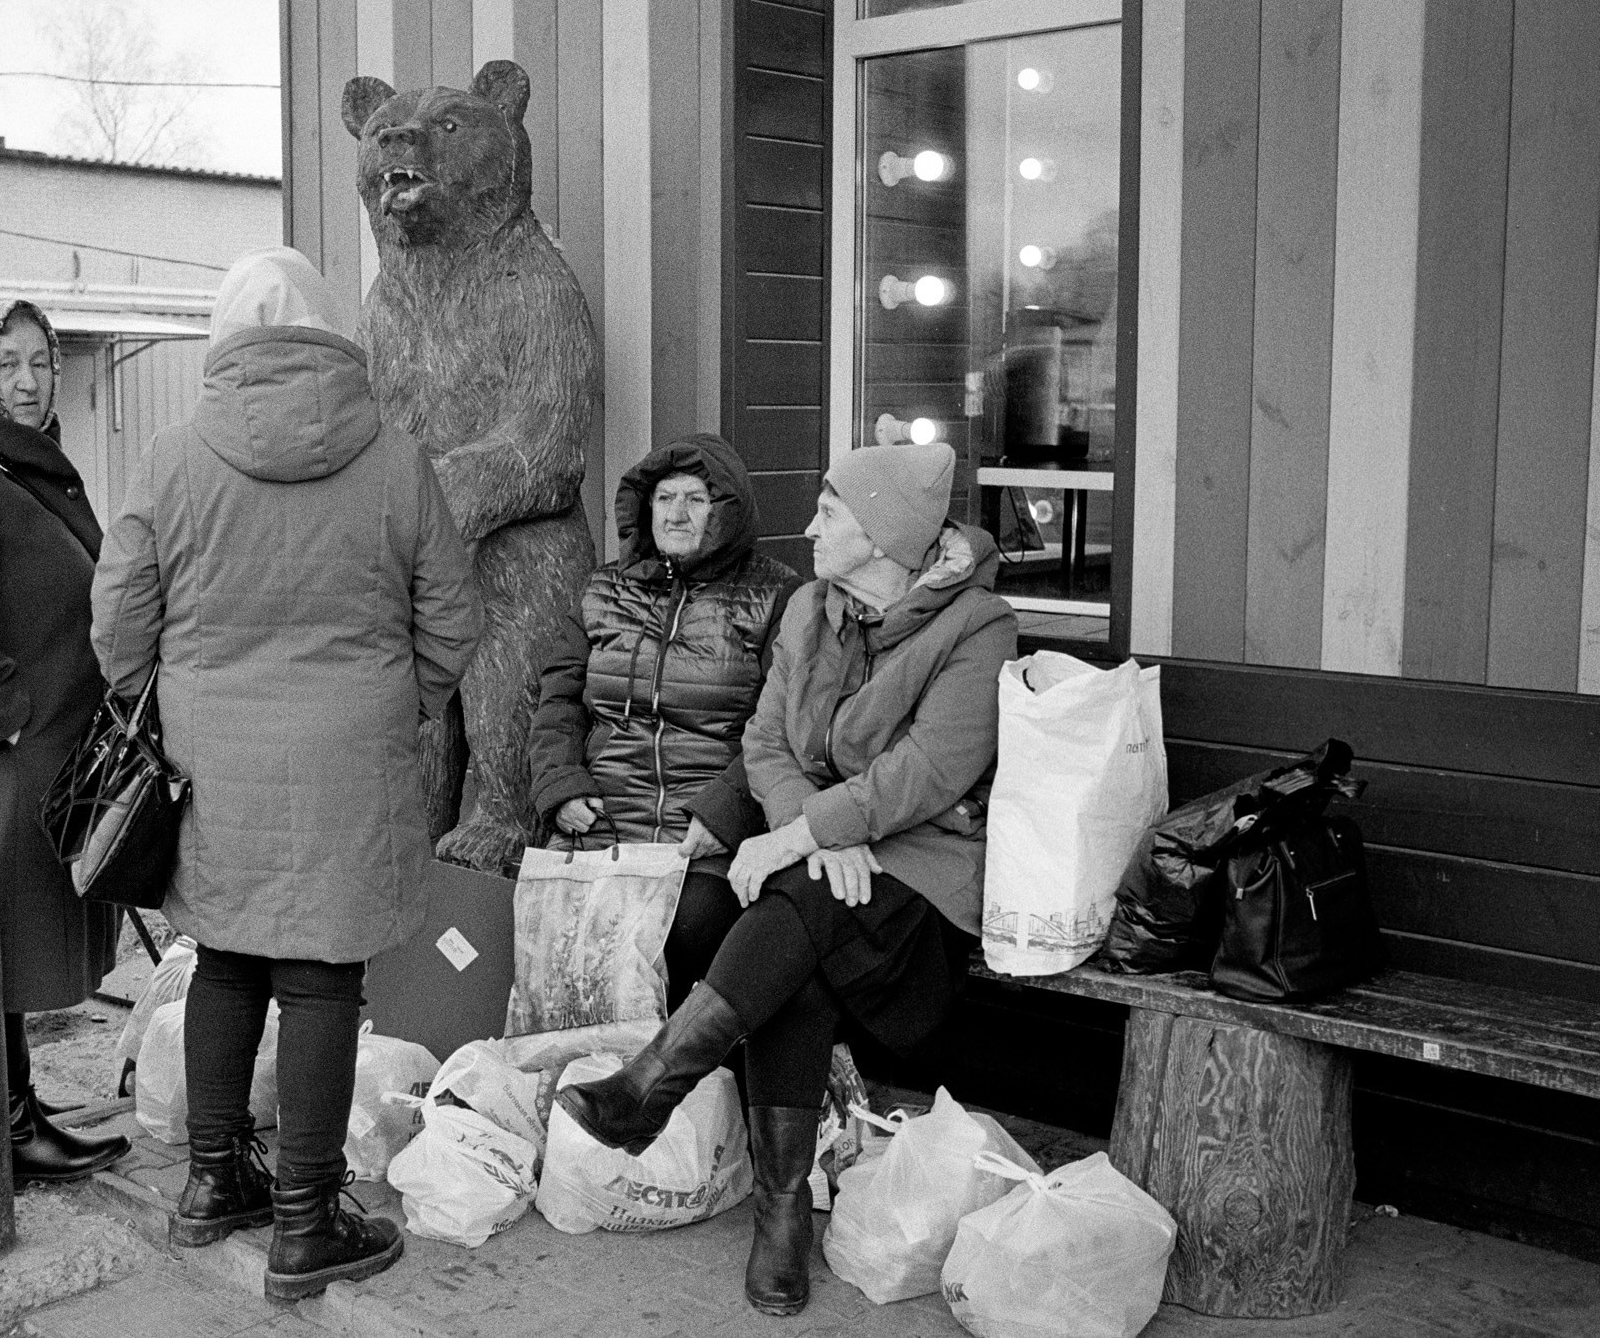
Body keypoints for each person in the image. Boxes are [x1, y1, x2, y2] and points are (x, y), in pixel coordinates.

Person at [89, 247, 481, 1303]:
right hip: (353, 758)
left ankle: (213, 1182)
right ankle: (306, 1223)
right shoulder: (394, 458)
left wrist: (165, 703)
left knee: (223, 957)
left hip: (212, 759)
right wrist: (404, 705)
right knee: (320, 978)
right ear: (330, 333)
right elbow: (453, 617)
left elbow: (117, 618)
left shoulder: (174, 455)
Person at [557, 443, 1014, 1318]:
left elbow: (931, 770)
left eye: (830, 512)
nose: (809, 528)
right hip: (828, 862)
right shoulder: (811, 608)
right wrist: (814, 833)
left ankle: (655, 1091)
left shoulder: (978, 625)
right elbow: (766, 742)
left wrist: (804, 835)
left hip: (924, 868)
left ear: (881, 535)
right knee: (796, 946)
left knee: (789, 906)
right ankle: (778, 1208)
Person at [528, 433, 800, 1010]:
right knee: (564, 937)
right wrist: (561, 785)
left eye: (696, 500)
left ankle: (675, 1063)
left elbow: (782, 725)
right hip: (602, 818)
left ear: (727, 511)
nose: (676, 514)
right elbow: (560, 699)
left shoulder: (776, 595)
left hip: (703, 833)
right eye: (664, 498)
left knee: (685, 930)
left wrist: (727, 815)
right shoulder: (603, 589)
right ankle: (589, 1062)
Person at [0, 298, 132, 1187]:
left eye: (41, 363)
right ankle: (5, 1127)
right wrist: (10, 708)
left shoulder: (29, 464)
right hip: (23, 743)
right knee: (5, 930)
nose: (29, 383)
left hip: (60, 732)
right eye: (8, 365)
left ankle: (17, 1106)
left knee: (26, 924)